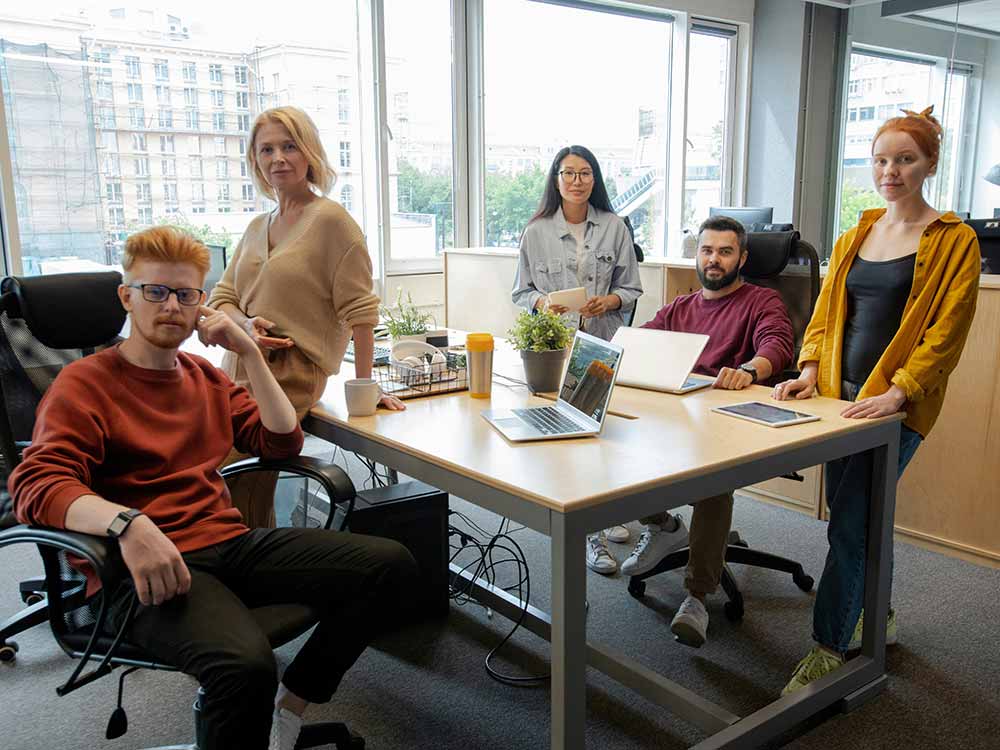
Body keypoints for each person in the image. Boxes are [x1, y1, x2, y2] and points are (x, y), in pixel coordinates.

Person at [8, 227, 417, 750]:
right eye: (155, 291)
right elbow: (37, 484)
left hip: (228, 543)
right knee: (244, 667)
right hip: (143, 573)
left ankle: (288, 709)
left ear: (201, 303)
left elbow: (280, 442)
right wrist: (127, 523)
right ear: (126, 296)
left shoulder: (203, 375)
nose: (171, 306)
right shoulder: (85, 383)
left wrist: (247, 348)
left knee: (391, 566)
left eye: (186, 294)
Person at [774, 106, 980, 694]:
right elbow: (826, 312)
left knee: (852, 524)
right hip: (839, 401)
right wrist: (810, 369)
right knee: (855, 516)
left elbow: (948, 329)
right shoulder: (856, 233)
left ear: (929, 164)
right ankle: (876, 611)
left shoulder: (953, 239)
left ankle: (827, 647)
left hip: (896, 405)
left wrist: (899, 393)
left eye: (905, 159)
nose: (891, 170)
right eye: (882, 159)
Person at [208, 106, 403, 529]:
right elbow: (222, 296)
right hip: (236, 366)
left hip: (290, 374)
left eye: (289, 146)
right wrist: (244, 326)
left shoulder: (331, 221)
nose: (278, 158)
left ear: (309, 153)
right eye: (267, 149)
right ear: (255, 160)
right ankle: (241, 565)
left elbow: (361, 312)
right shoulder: (258, 225)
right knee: (216, 478)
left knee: (230, 480)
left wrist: (365, 387)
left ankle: (245, 566)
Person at [618, 215, 794, 646]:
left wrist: (752, 369)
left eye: (725, 251)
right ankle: (664, 526)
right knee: (611, 447)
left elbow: (779, 343)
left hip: (728, 426)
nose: (714, 260)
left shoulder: (761, 301)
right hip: (680, 418)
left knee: (712, 481)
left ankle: (697, 596)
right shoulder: (681, 306)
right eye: (707, 250)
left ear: (743, 257)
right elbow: (638, 343)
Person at [511, 144, 643, 563]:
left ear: (595, 179)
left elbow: (632, 288)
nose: (576, 181)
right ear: (556, 179)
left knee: (603, 438)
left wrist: (610, 302)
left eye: (585, 173)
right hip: (555, 346)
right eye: (568, 173)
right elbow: (520, 292)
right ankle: (591, 535)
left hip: (602, 343)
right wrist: (544, 303)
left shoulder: (615, 226)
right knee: (568, 440)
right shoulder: (536, 231)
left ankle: (606, 513)